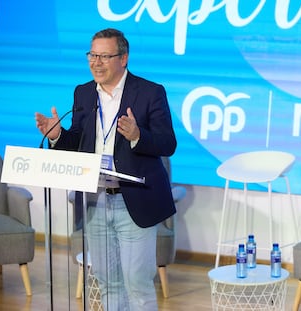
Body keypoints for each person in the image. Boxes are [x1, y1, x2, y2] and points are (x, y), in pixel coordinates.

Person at [35, 28, 177, 310]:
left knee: (137, 283)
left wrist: (137, 135)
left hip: (134, 200)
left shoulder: (150, 92)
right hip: (94, 200)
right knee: (106, 281)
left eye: (104, 56)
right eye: (92, 55)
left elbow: (167, 143)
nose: (96, 62)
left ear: (123, 58)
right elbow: (78, 139)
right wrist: (57, 135)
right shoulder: (83, 93)